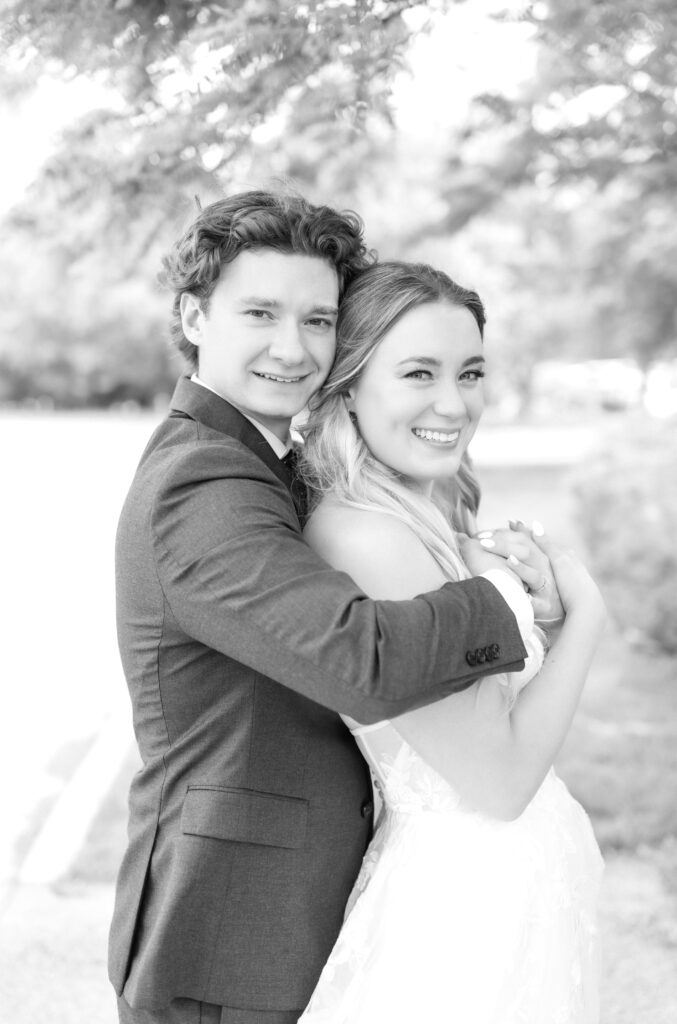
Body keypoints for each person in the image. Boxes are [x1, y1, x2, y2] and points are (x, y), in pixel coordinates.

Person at [108, 191, 561, 1024]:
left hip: (299, 913)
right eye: (260, 313)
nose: (292, 348)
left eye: (317, 320)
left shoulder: (263, 463)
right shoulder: (199, 484)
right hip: (227, 932)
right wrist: (514, 598)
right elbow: (362, 659)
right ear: (194, 316)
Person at [298, 261, 606, 1024]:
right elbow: (497, 780)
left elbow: (491, 707)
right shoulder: (366, 538)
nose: (453, 402)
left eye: (469, 372)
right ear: (349, 384)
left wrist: (538, 614)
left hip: (510, 886)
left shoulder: (419, 506)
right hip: (463, 907)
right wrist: (587, 617)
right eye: (417, 373)